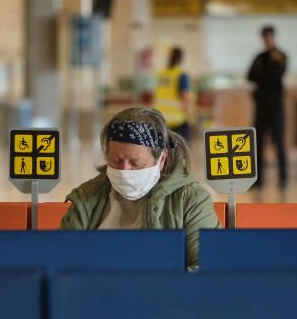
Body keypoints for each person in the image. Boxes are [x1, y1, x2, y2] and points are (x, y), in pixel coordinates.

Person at [59, 107, 220, 268]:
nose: (124, 170)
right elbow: (62, 260)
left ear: (162, 159)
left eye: (135, 163)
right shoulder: (86, 199)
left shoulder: (190, 200)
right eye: (116, 160)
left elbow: (208, 266)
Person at [247, 25, 288, 189]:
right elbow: (249, 75)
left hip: (276, 107)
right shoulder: (259, 57)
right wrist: (264, 75)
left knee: (278, 141)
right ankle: (258, 180)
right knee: (257, 142)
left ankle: (283, 178)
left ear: (273, 37)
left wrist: (261, 75)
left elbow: (275, 77)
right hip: (261, 106)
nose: (267, 40)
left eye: (269, 37)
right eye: (264, 37)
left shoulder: (281, 56)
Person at [155, 47, 193, 140]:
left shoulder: (162, 74)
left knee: (165, 149)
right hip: (178, 120)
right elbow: (185, 96)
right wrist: (190, 116)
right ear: (181, 58)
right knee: (182, 149)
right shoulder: (180, 74)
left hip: (161, 118)